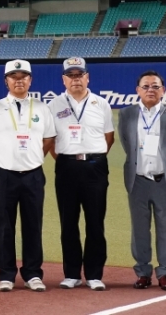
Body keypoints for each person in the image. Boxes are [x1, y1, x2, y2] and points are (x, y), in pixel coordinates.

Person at [0, 60, 55, 292]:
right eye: (14, 76)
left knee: (33, 224)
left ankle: (33, 273)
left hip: (33, 174)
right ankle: (6, 274)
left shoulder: (42, 108)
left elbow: (49, 139)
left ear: (30, 80)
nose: (19, 80)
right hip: (4, 175)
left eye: (23, 76)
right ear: (6, 81)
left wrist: (34, 158)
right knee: (4, 225)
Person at [117, 70, 166, 292]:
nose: (150, 90)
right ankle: (143, 272)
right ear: (137, 90)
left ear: (163, 90)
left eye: (155, 86)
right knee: (139, 228)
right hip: (137, 179)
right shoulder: (127, 114)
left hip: (163, 179)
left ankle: (165, 273)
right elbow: (126, 142)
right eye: (145, 86)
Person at [49, 57, 114, 291]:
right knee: (68, 222)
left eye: (80, 75)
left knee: (95, 221)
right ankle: (72, 274)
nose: (75, 79)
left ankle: (94, 274)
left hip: (95, 166)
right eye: (71, 75)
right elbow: (50, 140)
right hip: (66, 166)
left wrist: (92, 157)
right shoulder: (53, 105)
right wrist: (67, 158)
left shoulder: (101, 104)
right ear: (63, 79)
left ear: (87, 77)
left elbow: (109, 138)